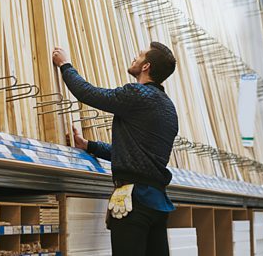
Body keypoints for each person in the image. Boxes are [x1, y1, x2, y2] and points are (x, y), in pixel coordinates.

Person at [52, 42, 179, 256]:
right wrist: (89, 145)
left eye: (139, 56)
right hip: (157, 203)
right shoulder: (168, 108)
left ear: (146, 66)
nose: (134, 59)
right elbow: (132, 153)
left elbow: (87, 93)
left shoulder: (137, 94)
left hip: (134, 202)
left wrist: (65, 65)